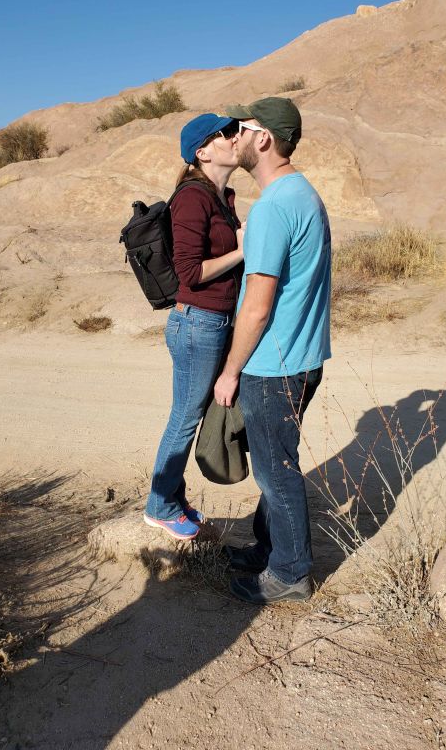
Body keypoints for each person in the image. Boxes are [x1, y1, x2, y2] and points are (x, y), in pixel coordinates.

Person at [214, 97, 331, 603]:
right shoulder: (304, 194)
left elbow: (257, 307)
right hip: (302, 357)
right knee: (275, 460)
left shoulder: (273, 208)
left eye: (241, 128)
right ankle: (268, 548)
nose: (232, 137)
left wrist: (230, 369)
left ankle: (289, 574)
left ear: (263, 139)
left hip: (272, 365)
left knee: (274, 470)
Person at [144, 113, 243, 540]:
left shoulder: (222, 195)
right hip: (197, 322)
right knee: (185, 417)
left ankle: (173, 497)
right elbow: (189, 271)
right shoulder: (192, 197)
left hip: (215, 320)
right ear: (202, 152)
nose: (234, 137)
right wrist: (244, 250)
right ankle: (160, 506)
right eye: (224, 134)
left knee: (191, 412)